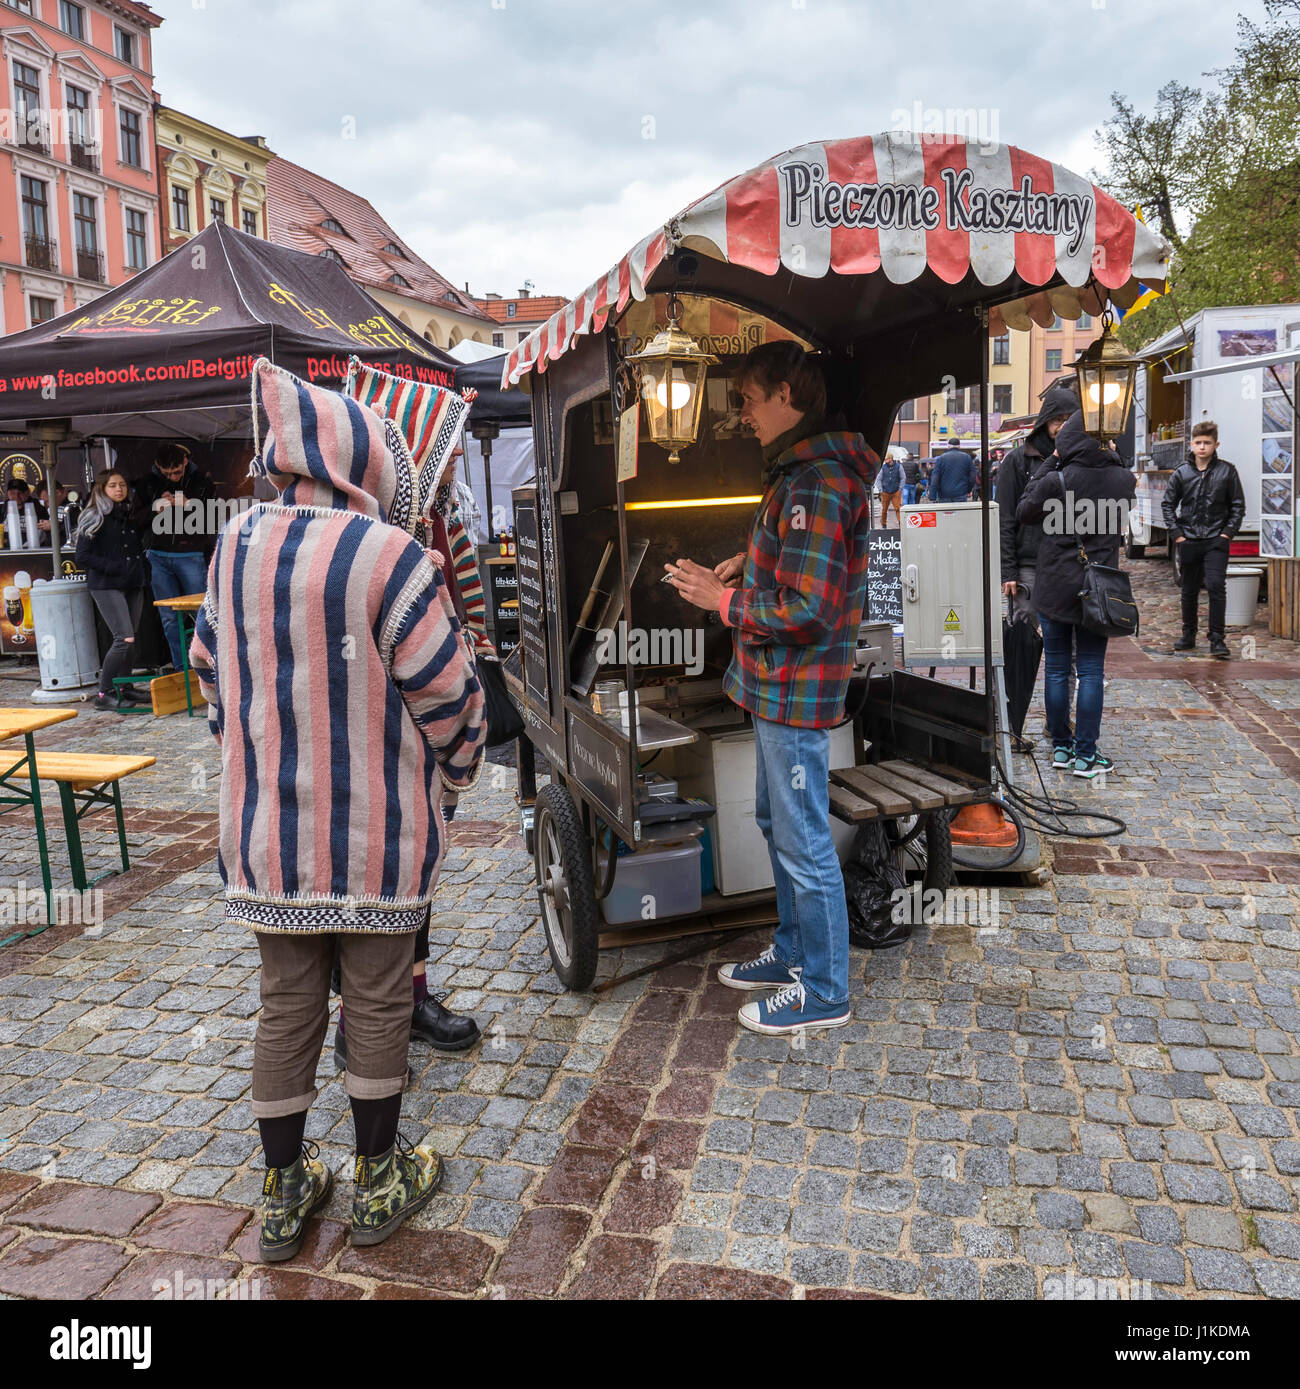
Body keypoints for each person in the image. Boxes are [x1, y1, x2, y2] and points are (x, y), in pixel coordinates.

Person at [190, 360, 485, 1258]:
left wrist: (252, 753)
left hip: (267, 840)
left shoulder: (235, 542)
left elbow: (208, 669)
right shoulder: (388, 555)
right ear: (368, 465)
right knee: (380, 998)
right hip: (376, 839)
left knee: (286, 1004)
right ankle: (377, 1176)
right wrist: (460, 770)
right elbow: (449, 693)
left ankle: (283, 1195)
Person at [666, 342, 875, 1036]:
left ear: (787, 395)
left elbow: (811, 609)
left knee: (803, 839)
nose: (743, 414)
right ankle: (792, 952)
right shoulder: (802, 473)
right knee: (774, 823)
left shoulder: (815, 481)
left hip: (794, 689)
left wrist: (721, 603)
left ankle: (823, 988)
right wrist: (749, 566)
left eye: (749, 399)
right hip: (776, 689)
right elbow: (799, 576)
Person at [331, 441, 486, 1071]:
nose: (454, 462)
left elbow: (462, 587)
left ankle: (411, 999)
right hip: (373, 725)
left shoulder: (433, 516)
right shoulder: (373, 538)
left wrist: (469, 640)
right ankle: (358, 1021)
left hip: (419, 722)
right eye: (444, 451)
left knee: (414, 874)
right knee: (365, 877)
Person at [1015, 410, 1136, 779]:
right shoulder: (1122, 479)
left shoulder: (1056, 479)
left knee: (1055, 670)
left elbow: (1023, 510)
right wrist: (1111, 455)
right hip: (1096, 589)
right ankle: (1086, 754)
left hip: (1054, 587)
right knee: (1090, 672)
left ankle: (1062, 749)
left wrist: (1053, 462)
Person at [1161, 420, 1245, 660]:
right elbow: (1168, 504)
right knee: (1189, 590)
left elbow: (1237, 505)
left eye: (1207, 443)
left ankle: (1217, 638)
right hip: (1188, 539)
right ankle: (1188, 635)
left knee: (1217, 586)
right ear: (1191, 444)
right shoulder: (1182, 473)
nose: (1202, 447)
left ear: (1215, 444)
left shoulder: (1227, 471)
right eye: (1198, 443)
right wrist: (1177, 534)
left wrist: (1227, 533)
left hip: (1216, 539)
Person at [996, 381, 1078, 626]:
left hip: (1070, 562)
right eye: (1057, 420)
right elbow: (1005, 518)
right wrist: (1008, 571)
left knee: (1069, 638)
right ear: (1045, 422)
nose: (1063, 427)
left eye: (1070, 419)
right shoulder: (1016, 462)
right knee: (1024, 633)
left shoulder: (1084, 457)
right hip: (1029, 564)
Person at [131, 442, 216, 671]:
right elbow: (134, 519)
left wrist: (189, 504)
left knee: (201, 612)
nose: (173, 476)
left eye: (177, 471)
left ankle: (208, 665)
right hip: (157, 555)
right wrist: (155, 509)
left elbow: (217, 516)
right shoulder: (147, 483)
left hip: (190, 554)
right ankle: (182, 669)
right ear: (158, 466)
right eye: (167, 473)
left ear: (185, 462)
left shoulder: (201, 481)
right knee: (169, 617)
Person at [73, 471, 149, 711]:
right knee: (123, 638)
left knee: (131, 639)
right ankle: (104, 693)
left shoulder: (127, 513)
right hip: (107, 584)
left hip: (133, 582)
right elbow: (82, 556)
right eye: (113, 486)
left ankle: (124, 687)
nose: (119, 489)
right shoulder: (94, 516)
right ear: (102, 489)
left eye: (123, 485)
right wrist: (114, 567)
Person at [876, 454, 903, 527]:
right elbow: (878, 479)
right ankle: (884, 524)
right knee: (884, 509)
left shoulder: (899, 466)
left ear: (891, 459)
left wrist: (900, 488)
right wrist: (880, 490)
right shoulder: (883, 468)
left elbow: (903, 477)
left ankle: (901, 523)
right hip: (885, 492)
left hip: (896, 491)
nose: (885, 461)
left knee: (898, 508)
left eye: (886, 459)